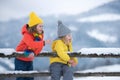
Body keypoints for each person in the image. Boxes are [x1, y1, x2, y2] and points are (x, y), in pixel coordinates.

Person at [15, 12, 51, 80]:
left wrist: (34, 53)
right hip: (20, 59)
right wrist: (43, 43)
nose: (42, 28)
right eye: (40, 26)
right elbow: (31, 44)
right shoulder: (27, 35)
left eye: (42, 26)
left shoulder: (39, 36)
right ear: (34, 27)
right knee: (21, 78)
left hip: (29, 59)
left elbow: (39, 47)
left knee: (30, 77)